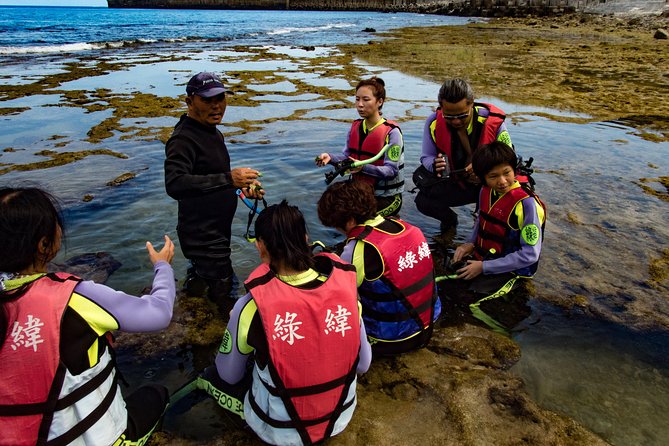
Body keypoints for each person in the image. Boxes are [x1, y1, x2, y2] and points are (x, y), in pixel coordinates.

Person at [0, 187, 176, 446]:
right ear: (44, 244)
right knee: (157, 394)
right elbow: (158, 313)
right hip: (92, 439)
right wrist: (162, 267)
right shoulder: (74, 297)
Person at [200, 200, 371, 445]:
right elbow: (363, 364)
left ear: (261, 248)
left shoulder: (249, 307)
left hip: (278, 432)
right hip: (338, 419)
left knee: (215, 375)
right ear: (305, 238)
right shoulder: (345, 291)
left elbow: (229, 376)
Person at [164, 71, 263, 304]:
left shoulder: (212, 132)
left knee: (203, 283)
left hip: (217, 232)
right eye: (207, 100)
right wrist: (229, 179)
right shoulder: (183, 139)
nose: (216, 106)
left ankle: (191, 304)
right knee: (226, 294)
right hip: (203, 237)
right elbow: (175, 184)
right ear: (190, 101)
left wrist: (242, 186)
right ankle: (215, 336)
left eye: (220, 98)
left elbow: (212, 178)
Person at [317, 180, 441, 355]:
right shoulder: (409, 228)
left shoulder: (359, 247)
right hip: (429, 324)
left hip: (392, 340)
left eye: (337, 226)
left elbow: (336, 293)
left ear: (350, 221)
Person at [451, 142, 546, 331]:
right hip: (487, 258)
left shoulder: (527, 205)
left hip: (513, 271)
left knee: (468, 302)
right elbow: (480, 222)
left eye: (507, 173)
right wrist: (469, 244)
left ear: (515, 170)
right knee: (453, 281)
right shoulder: (485, 191)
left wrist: (484, 267)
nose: (502, 181)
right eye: (493, 176)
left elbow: (530, 254)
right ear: (482, 178)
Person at [414, 78, 513, 231]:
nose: (456, 122)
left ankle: (485, 223)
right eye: (449, 116)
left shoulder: (492, 122)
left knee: (489, 226)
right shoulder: (433, 122)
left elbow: (509, 157)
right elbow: (426, 156)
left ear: (471, 103)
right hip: (459, 183)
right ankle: (450, 222)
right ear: (441, 107)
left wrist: (482, 167)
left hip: (491, 184)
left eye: (462, 116)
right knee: (423, 201)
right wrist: (434, 164)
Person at [315, 76, 404, 217]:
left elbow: (391, 171)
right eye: (357, 99)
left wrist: (363, 167)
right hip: (361, 193)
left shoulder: (392, 133)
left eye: (366, 100)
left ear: (379, 102)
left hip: (386, 198)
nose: (360, 105)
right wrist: (330, 158)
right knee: (331, 210)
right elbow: (347, 158)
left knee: (354, 220)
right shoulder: (355, 127)